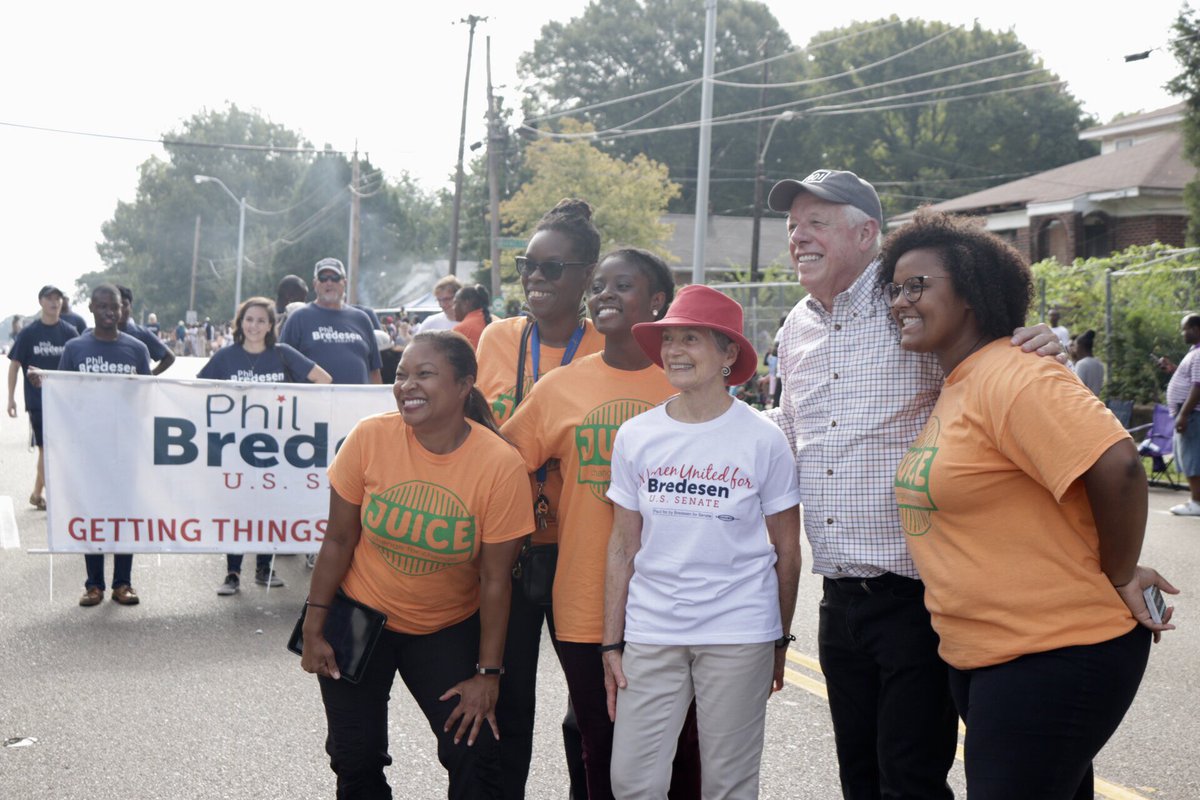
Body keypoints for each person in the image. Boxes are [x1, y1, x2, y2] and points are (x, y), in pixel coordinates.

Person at [764, 169, 1063, 799]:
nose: (798, 237)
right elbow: (789, 435)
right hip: (839, 596)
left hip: (919, 591)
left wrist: (1035, 342)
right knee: (861, 776)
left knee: (911, 776)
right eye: (793, 225)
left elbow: (995, 366)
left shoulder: (915, 302)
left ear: (866, 232)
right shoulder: (797, 325)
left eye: (817, 222)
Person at [883, 208, 1177, 799]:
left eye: (917, 285)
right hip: (994, 658)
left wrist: (1121, 571)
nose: (899, 301)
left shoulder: (1015, 376)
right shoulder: (962, 383)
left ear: (971, 292)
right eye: (893, 288)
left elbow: (1119, 467)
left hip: (1055, 652)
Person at [502, 247, 701, 800]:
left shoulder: (685, 383)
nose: (605, 295)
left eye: (624, 285)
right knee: (602, 745)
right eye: (601, 286)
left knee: (682, 751)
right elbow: (500, 462)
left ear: (657, 301)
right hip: (586, 594)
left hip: (673, 598)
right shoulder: (562, 386)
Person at [300, 330, 532, 799]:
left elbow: (494, 579)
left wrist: (488, 675)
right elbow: (339, 539)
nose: (407, 385)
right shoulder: (370, 437)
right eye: (401, 374)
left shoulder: (500, 464)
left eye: (425, 374)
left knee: (473, 749)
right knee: (355, 756)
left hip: (444, 626)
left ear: (465, 385)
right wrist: (313, 624)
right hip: (358, 615)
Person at [602, 285, 802, 800]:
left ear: (728, 353)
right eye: (668, 339)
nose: (673, 351)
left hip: (739, 630)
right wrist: (611, 641)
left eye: (690, 339)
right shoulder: (636, 435)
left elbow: (787, 551)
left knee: (728, 786)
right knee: (632, 780)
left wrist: (778, 639)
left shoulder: (763, 438)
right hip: (653, 629)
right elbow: (623, 546)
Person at [474, 198, 604, 800]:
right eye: (528, 264)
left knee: (594, 707)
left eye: (553, 268)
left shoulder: (616, 344)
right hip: (508, 553)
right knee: (505, 703)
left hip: (587, 554)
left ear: (586, 276)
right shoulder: (498, 341)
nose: (535, 278)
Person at [198, 296, 333, 595]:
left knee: (270, 505)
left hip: (276, 447)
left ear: (271, 325)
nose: (254, 325)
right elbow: (199, 389)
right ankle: (232, 573)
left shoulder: (283, 353)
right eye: (249, 319)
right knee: (238, 507)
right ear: (240, 323)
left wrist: (299, 408)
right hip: (236, 447)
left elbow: (323, 379)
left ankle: (264, 567)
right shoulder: (225, 357)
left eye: (261, 320)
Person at [55, 284, 152, 607]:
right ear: (92, 308)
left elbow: (150, 394)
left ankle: (122, 583)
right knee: (92, 514)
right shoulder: (74, 348)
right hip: (88, 448)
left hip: (126, 448)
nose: (111, 312)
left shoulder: (137, 349)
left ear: (123, 309)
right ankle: (93, 585)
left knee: (124, 515)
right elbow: (63, 393)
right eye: (103, 306)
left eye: (116, 307)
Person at [7, 285, 79, 510]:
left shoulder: (70, 332)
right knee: (46, 449)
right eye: (49, 298)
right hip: (38, 402)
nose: (54, 302)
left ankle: (37, 493)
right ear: (41, 302)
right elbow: (14, 365)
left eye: (58, 298)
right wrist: (11, 398)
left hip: (65, 402)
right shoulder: (29, 333)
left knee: (57, 449)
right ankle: (54, 496)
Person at [280, 258, 382, 386]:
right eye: (323, 278)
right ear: (315, 283)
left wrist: (379, 402)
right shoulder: (298, 318)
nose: (329, 282)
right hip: (313, 403)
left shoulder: (362, 319)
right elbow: (281, 365)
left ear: (344, 282)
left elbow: (374, 371)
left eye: (335, 277)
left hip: (358, 403)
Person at [1160, 313, 1200, 515]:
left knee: (1192, 457)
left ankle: (1196, 502)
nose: (1182, 333)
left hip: (1191, 414)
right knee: (1188, 456)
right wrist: (1172, 369)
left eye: (1184, 328)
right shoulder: (1194, 352)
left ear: (1196, 329)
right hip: (1188, 413)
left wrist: (1183, 414)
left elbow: (1198, 386)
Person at [117, 286, 176, 375]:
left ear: (131, 307)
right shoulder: (95, 336)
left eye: (124, 305)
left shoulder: (140, 333)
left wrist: (149, 376)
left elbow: (169, 357)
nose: (121, 309)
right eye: (117, 305)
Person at [453, 284, 492, 349]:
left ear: (466, 303)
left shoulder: (461, 329)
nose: (453, 308)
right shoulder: (497, 321)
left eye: (455, 302)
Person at [1070, 329, 1104, 396]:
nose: (1074, 350)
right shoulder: (1099, 364)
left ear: (1081, 347)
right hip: (1096, 402)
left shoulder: (1081, 364)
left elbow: (1077, 389)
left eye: (1075, 346)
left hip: (1084, 403)